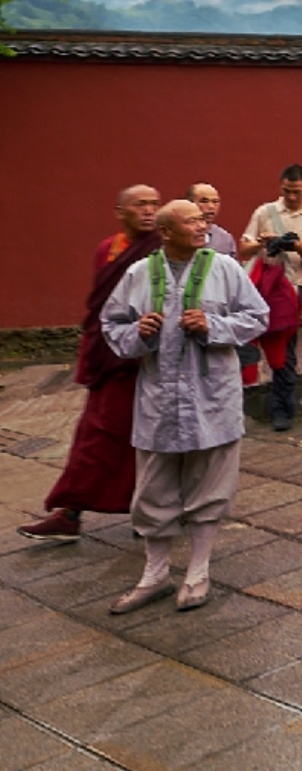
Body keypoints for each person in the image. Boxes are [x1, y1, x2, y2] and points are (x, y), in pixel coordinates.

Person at [99, 199, 268, 612]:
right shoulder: (139, 274)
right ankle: (155, 574)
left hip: (212, 396)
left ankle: (197, 571)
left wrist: (215, 325)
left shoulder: (225, 268)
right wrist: (138, 332)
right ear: (167, 232)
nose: (202, 225)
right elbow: (111, 324)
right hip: (158, 398)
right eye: (191, 221)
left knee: (209, 484)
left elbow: (257, 316)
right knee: (153, 487)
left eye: (201, 219)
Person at [19, 185, 162, 543]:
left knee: (145, 440)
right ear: (120, 212)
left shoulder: (163, 249)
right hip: (110, 357)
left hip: (148, 361)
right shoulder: (108, 249)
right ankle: (71, 512)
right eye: (140, 204)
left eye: (154, 204)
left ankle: (149, 511)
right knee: (96, 436)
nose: (149, 211)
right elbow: (102, 309)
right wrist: (91, 355)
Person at [241, 166, 302, 431]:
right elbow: (244, 248)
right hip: (260, 287)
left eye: (296, 191)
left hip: (292, 288)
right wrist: (262, 241)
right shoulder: (265, 212)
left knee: (285, 350)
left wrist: (298, 247)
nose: (291, 197)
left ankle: (283, 409)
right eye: (286, 191)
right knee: (248, 344)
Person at [190, 182, 237, 256]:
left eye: (215, 202)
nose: (211, 206)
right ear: (190, 203)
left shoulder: (225, 239)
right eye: (204, 201)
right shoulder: (177, 234)